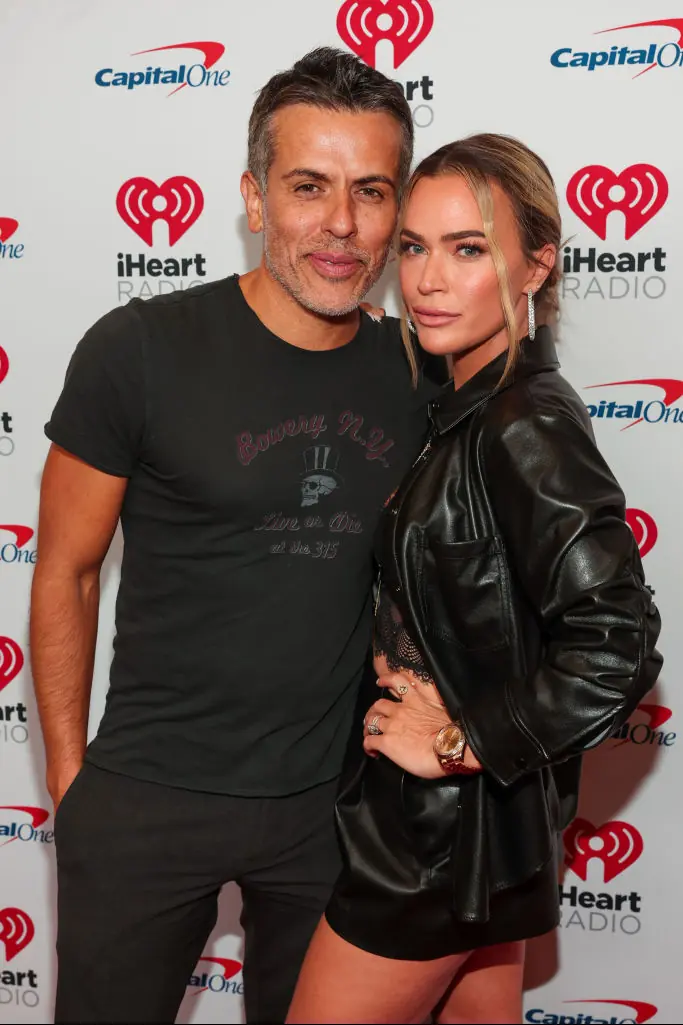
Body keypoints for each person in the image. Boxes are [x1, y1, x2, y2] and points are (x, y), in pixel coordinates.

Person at [30, 48, 445, 1025]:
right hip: (147, 799)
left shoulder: (421, 370)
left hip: (335, 807)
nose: (340, 224)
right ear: (254, 198)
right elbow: (68, 569)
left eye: (370, 191)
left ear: (397, 212)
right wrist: (68, 783)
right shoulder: (137, 350)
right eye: (308, 187)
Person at [286, 134, 663, 1025]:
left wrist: (459, 743)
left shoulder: (519, 424)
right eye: (413, 246)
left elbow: (616, 647)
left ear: (535, 266)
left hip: (438, 838)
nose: (425, 279)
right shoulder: (466, 407)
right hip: (489, 835)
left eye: (467, 249)